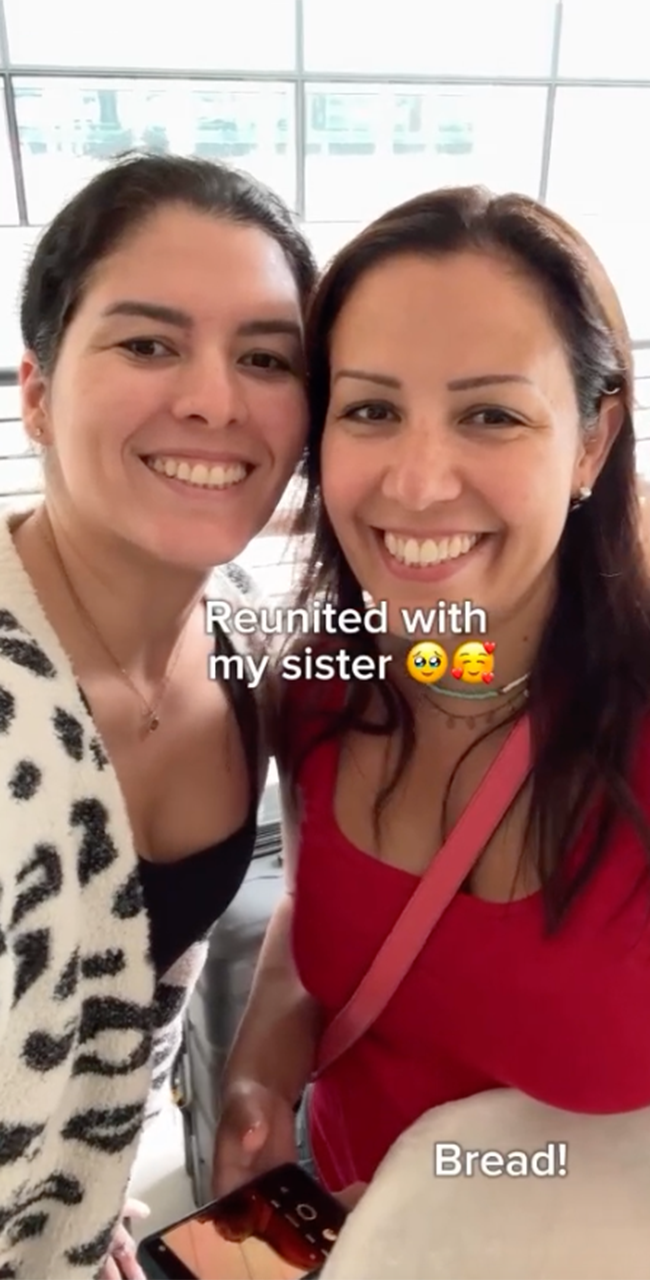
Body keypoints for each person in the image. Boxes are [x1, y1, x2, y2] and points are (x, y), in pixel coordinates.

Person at [212, 184, 650, 1261]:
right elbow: (319, 922)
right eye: (370, 409)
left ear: (593, 441)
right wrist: (260, 1076)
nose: (417, 478)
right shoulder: (324, 682)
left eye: (491, 413)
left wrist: (472, 1182)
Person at [0, 151, 315, 1280]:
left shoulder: (234, 642)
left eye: (266, 357)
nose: (214, 398)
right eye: (148, 343)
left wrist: (98, 1205)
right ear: (36, 389)